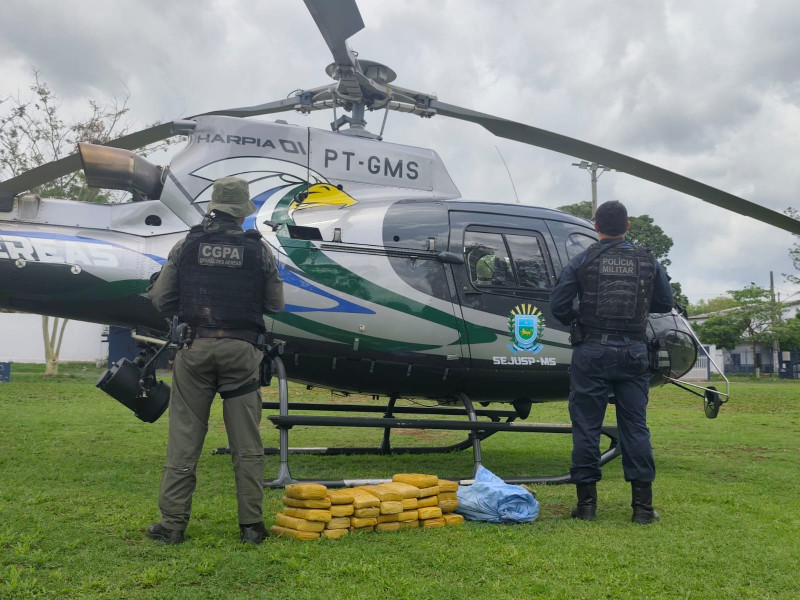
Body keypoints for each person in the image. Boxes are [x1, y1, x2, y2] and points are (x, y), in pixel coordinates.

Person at [146, 176, 284, 544]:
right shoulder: (259, 250)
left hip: (195, 349)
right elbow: (275, 305)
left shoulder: (186, 245)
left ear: (213, 208)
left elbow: (162, 300)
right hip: (242, 352)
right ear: (242, 214)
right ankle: (251, 527)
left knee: (185, 438)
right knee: (247, 443)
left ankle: (172, 526)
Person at [550, 200, 673, 524]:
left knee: (586, 427)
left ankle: (586, 505)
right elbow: (664, 303)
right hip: (634, 351)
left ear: (595, 227)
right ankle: (642, 509)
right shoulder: (648, 261)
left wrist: (582, 316)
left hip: (591, 351)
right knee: (635, 427)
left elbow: (558, 305)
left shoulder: (583, 260)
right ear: (627, 226)